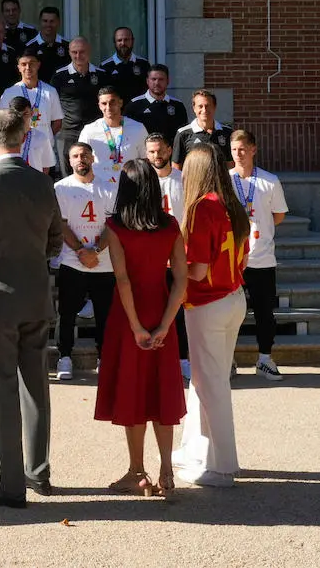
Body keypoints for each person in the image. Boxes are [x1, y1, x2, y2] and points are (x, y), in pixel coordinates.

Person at [0, 109, 62, 508]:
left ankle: (10, 483)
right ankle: (38, 472)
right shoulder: (43, 183)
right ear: (24, 137)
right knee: (36, 386)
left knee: (0, 388)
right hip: (36, 292)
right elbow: (55, 240)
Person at [94, 158, 188, 500]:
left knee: (133, 391)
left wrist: (136, 327)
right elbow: (181, 278)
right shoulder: (170, 224)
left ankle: (137, 472)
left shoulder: (116, 228)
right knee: (162, 391)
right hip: (161, 309)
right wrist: (165, 322)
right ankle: (166, 469)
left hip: (128, 317)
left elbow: (122, 279)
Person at [173, 143, 251, 488]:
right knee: (207, 381)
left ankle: (221, 466)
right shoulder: (231, 204)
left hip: (208, 304)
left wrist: (170, 263)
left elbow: (198, 269)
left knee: (211, 384)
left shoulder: (203, 208)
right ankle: (195, 450)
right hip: (233, 297)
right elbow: (241, 259)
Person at [53, 143, 118, 381]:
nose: (80, 159)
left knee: (105, 313)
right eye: (75, 156)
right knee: (67, 312)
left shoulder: (108, 187)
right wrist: (81, 250)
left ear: (92, 157)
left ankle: (105, 357)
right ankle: (65, 356)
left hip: (103, 261)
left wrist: (96, 251)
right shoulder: (61, 188)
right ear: (69, 161)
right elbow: (60, 224)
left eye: (84, 155)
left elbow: (112, 225)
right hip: (72, 260)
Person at [229, 130, 289, 381]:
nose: (238, 154)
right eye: (234, 150)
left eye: (243, 149)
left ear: (253, 149)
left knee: (265, 312)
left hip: (262, 258)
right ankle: (228, 360)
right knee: (230, 313)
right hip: (231, 259)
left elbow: (278, 215)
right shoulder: (225, 180)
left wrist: (259, 229)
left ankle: (265, 359)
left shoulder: (269, 180)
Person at [147, 133, 190, 377]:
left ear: (169, 149)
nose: (157, 155)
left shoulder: (183, 180)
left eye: (160, 150)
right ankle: (155, 360)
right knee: (154, 309)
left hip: (179, 256)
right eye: (152, 152)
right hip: (151, 258)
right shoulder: (142, 181)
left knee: (180, 310)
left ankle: (183, 358)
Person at [51, 37, 104, 176]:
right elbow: (52, 105)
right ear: (69, 53)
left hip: (95, 132)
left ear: (89, 52)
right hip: (68, 132)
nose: (78, 56)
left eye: (82, 52)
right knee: (66, 174)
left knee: (96, 170)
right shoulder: (59, 76)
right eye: (74, 52)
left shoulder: (101, 75)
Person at [77, 86, 150, 185]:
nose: (108, 107)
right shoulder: (89, 130)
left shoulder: (138, 128)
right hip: (100, 186)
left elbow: (146, 159)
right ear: (99, 105)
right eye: (104, 103)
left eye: (112, 102)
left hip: (131, 184)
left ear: (120, 103)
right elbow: (80, 160)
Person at [0, 50, 63, 140]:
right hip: (19, 146)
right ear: (19, 68)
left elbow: (57, 122)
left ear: (38, 65)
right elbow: (3, 121)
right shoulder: (9, 93)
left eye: (32, 63)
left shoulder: (50, 91)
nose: (28, 67)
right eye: (24, 64)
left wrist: (46, 139)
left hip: (44, 148)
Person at [172, 90, 234, 170]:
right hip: (193, 181)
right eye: (200, 106)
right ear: (194, 108)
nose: (204, 110)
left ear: (214, 107)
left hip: (220, 182)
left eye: (207, 106)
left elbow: (231, 165)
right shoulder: (183, 133)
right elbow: (176, 166)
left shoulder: (227, 132)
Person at [124, 64, 188, 141]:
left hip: (170, 152)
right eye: (153, 79)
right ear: (147, 81)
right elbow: (126, 134)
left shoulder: (178, 105)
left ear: (168, 81)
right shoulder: (134, 105)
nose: (157, 83)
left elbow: (183, 134)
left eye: (161, 79)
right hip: (144, 152)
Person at [99, 26, 152, 103]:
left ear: (132, 41)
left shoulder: (144, 64)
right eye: (119, 40)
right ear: (114, 43)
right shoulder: (105, 67)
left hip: (138, 111)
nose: (123, 43)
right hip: (116, 113)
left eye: (126, 40)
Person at [7, 96, 55, 174]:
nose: (22, 119)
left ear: (32, 113)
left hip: (35, 183)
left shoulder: (42, 137)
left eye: (25, 114)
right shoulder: (5, 137)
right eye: (17, 115)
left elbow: (46, 166)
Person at [27, 7, 70, 82]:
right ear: (40, 22)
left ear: (58, 22)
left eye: (52, 21)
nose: (48, 25)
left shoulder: (67, 46)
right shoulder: (29, 47)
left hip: (61, 91)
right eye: (45, 21)